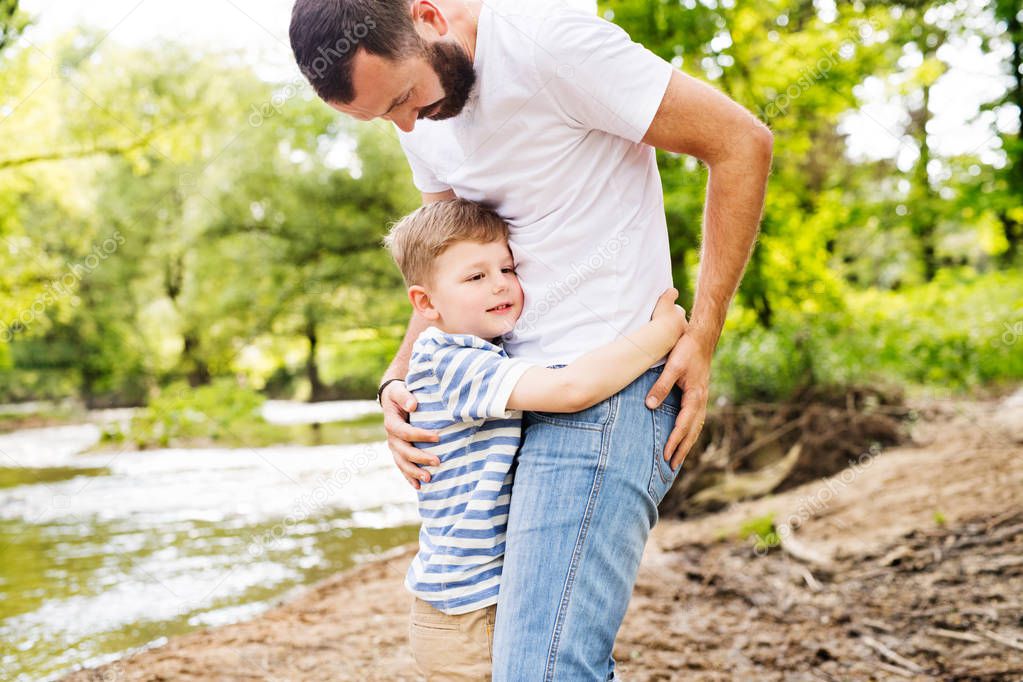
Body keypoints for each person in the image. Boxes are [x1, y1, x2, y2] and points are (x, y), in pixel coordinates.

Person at [290, 0, 772, 678]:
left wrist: (703, 332)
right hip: (507, 403)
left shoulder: (551, 44)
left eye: (403, 99)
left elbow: (740, 142)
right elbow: (444, 263)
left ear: (427, 17)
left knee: (545, 670)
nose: (405, 125)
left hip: (608, 391)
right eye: (383, 117)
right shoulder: (415, 112)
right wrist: (398, 380)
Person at [384, 198, 686, 680]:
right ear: (426, 304)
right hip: (467, 614)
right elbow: (572, 389)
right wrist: (663, 332)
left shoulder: (484, 351)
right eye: (475, 277)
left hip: (468, 602)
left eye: (506, 267)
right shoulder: (455, 361)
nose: (500, 283)